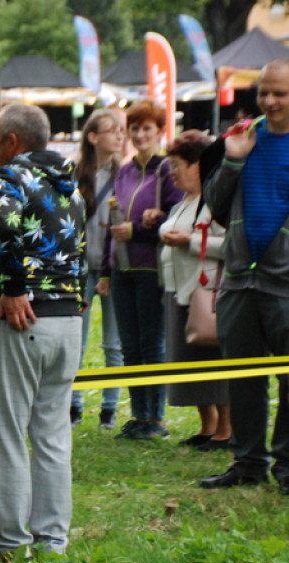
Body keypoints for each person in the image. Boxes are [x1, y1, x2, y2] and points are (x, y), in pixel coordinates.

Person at [0, 103, 86, 561]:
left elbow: (3, 225)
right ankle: (52, 542)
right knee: (53, 434)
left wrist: (14, 288)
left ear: (13, 142)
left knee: (6, 434)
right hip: (68, 321)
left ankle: (8, 542)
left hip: (23, 318)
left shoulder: (10, 177)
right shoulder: (71, 186)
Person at [199, 58, 289, 492]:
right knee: (244, 376)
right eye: (264, 93)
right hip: (239, 278)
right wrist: (233, 160)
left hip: (284, 283)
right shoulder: (243, 137)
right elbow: (214, 206)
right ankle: (248, 463)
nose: (269, 102)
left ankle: (287, 465)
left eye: (280, 94)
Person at [99, 100, 183, 440]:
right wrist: (106, 270)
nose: (140, 134)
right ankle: (138, 414)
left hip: (152, 267)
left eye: (147, 128)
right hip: (122, 268)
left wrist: (141, 229)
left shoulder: (167, 170)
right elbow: (114, 223)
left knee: (152, 343)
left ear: (159, 131)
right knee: (130, 345)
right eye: (134, 129)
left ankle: (156, 418)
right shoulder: (125, 170)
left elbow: (178, 214)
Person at [158, 130, 230, 451]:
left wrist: (188, 241)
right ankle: (208, 427)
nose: (172, 172)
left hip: (207, 294)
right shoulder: (185, 201)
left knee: (214, 362)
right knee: (191, 363)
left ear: (199, 164)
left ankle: (226, 431)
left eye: (177, 165)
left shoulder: (218, 202)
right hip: (180, 292)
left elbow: (231, 246)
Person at [70, 110, 126, 429]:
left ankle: (110, 408)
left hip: (113, 268)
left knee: (113, 343)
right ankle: (74, 406)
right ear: (93, 137)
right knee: (76, 340)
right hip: (79, 270)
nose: (120, 136)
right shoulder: (74, 174)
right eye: (112, 130)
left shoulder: (126, 174)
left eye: (122, 130)